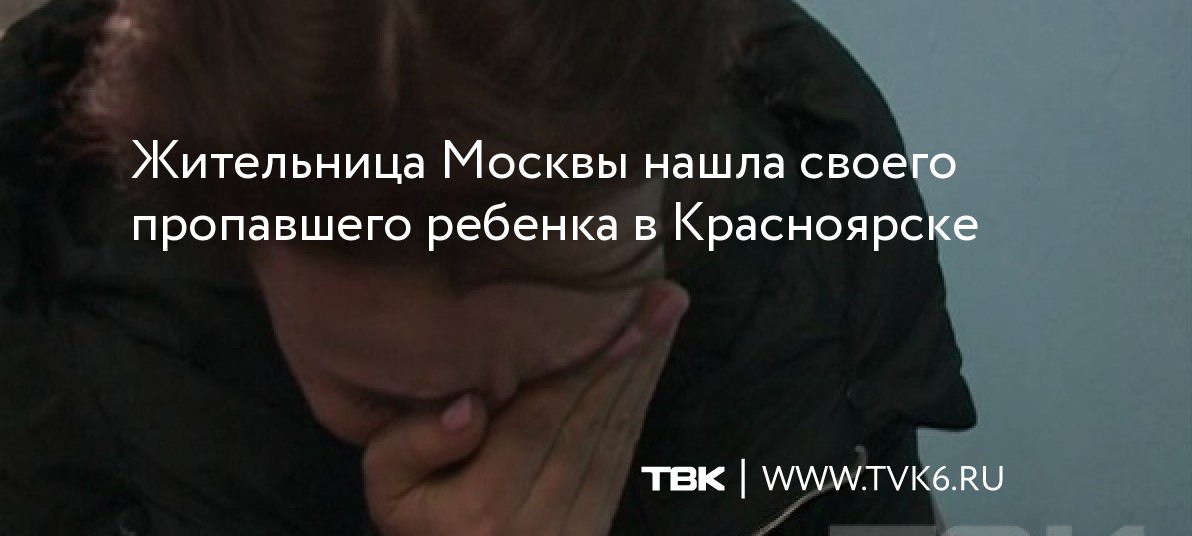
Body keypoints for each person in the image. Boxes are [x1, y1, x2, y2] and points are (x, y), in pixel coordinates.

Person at [0, 0, 976, 534]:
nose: (497, 452)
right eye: (393, 396)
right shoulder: (46, 272)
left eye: (576, 357)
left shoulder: (808, 154)